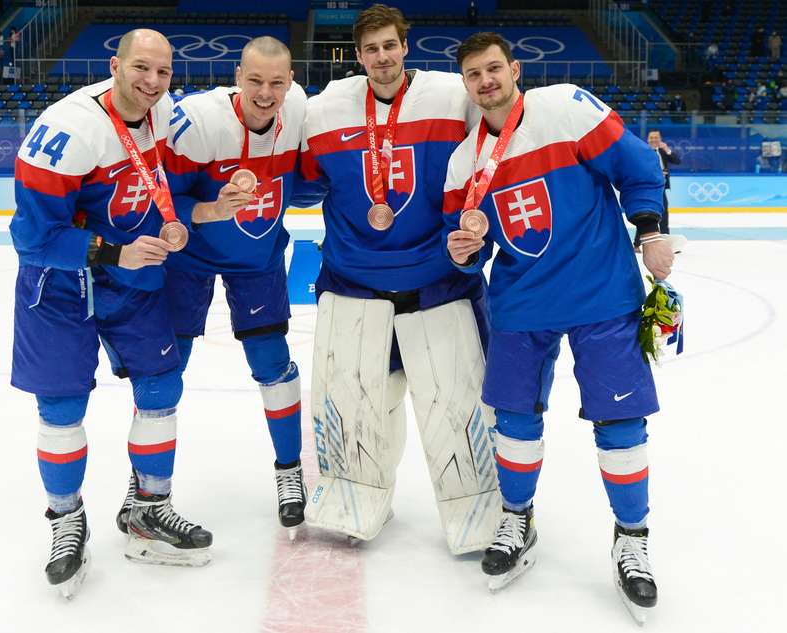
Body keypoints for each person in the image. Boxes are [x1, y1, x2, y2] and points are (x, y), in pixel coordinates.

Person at [443, 32, 674, 624]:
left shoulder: (567, 106)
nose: (486, 81)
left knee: (620, 420)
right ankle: (517, 518)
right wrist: (464, 249)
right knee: (514, 422)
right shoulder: (462, 162)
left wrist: (649, 230)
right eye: (474, 75)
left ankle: (632, 539)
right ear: (466, 87)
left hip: (602, 295)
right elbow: (468, 246)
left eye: (494, 68)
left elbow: (638, 166)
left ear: (514, 68)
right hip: (522, 305)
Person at [9, 29, 212, 599]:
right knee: (63, 405)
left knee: (161, 385)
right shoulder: (69, 130)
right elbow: (30, 237)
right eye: (141, 69)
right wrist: (107, 250)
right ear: (115, 65)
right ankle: (66, 520)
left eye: (163, 72)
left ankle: (149, 507)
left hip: (131, 277)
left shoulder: (163, 112)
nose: (152, 82)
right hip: (60, 285)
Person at [300, 4, 500, 555]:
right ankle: (354, 496)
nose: (381, 57)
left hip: (440, 284)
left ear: (405, 46)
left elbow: (497, 152)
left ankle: (479, 507)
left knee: (456, 405)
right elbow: (299, 176)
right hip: (353, 284)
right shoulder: (328, 108)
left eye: (390, 45)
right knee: (357, 401)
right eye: (370, 49)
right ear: (358, 55)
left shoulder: (450, 96)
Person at [114, 36, 317, 540]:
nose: (265, 93)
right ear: (237, 76)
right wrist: (207, 211)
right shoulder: (200, 123)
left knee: (273, 364)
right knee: (165, 373)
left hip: (258, 259)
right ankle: (142, 486)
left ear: (290, 82)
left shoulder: (300, 111)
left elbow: (310, 181)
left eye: (276, 82)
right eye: (254, 81)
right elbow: (164, 195)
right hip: (191, 262)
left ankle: (289, 473)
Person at [634, 130, 680, 251]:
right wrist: (658, 174)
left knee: (664, 215)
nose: (654, 139)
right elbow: (640, 168)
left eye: (656, 137)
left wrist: (667, 150)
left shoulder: (662, 152)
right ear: (648, 139)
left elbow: (677, 161)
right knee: (646, 214)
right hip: (648, 188)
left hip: (661, 188)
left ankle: (667, 244)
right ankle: (637, 244)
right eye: (652, 137)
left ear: (660, 139)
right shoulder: (643, 151)